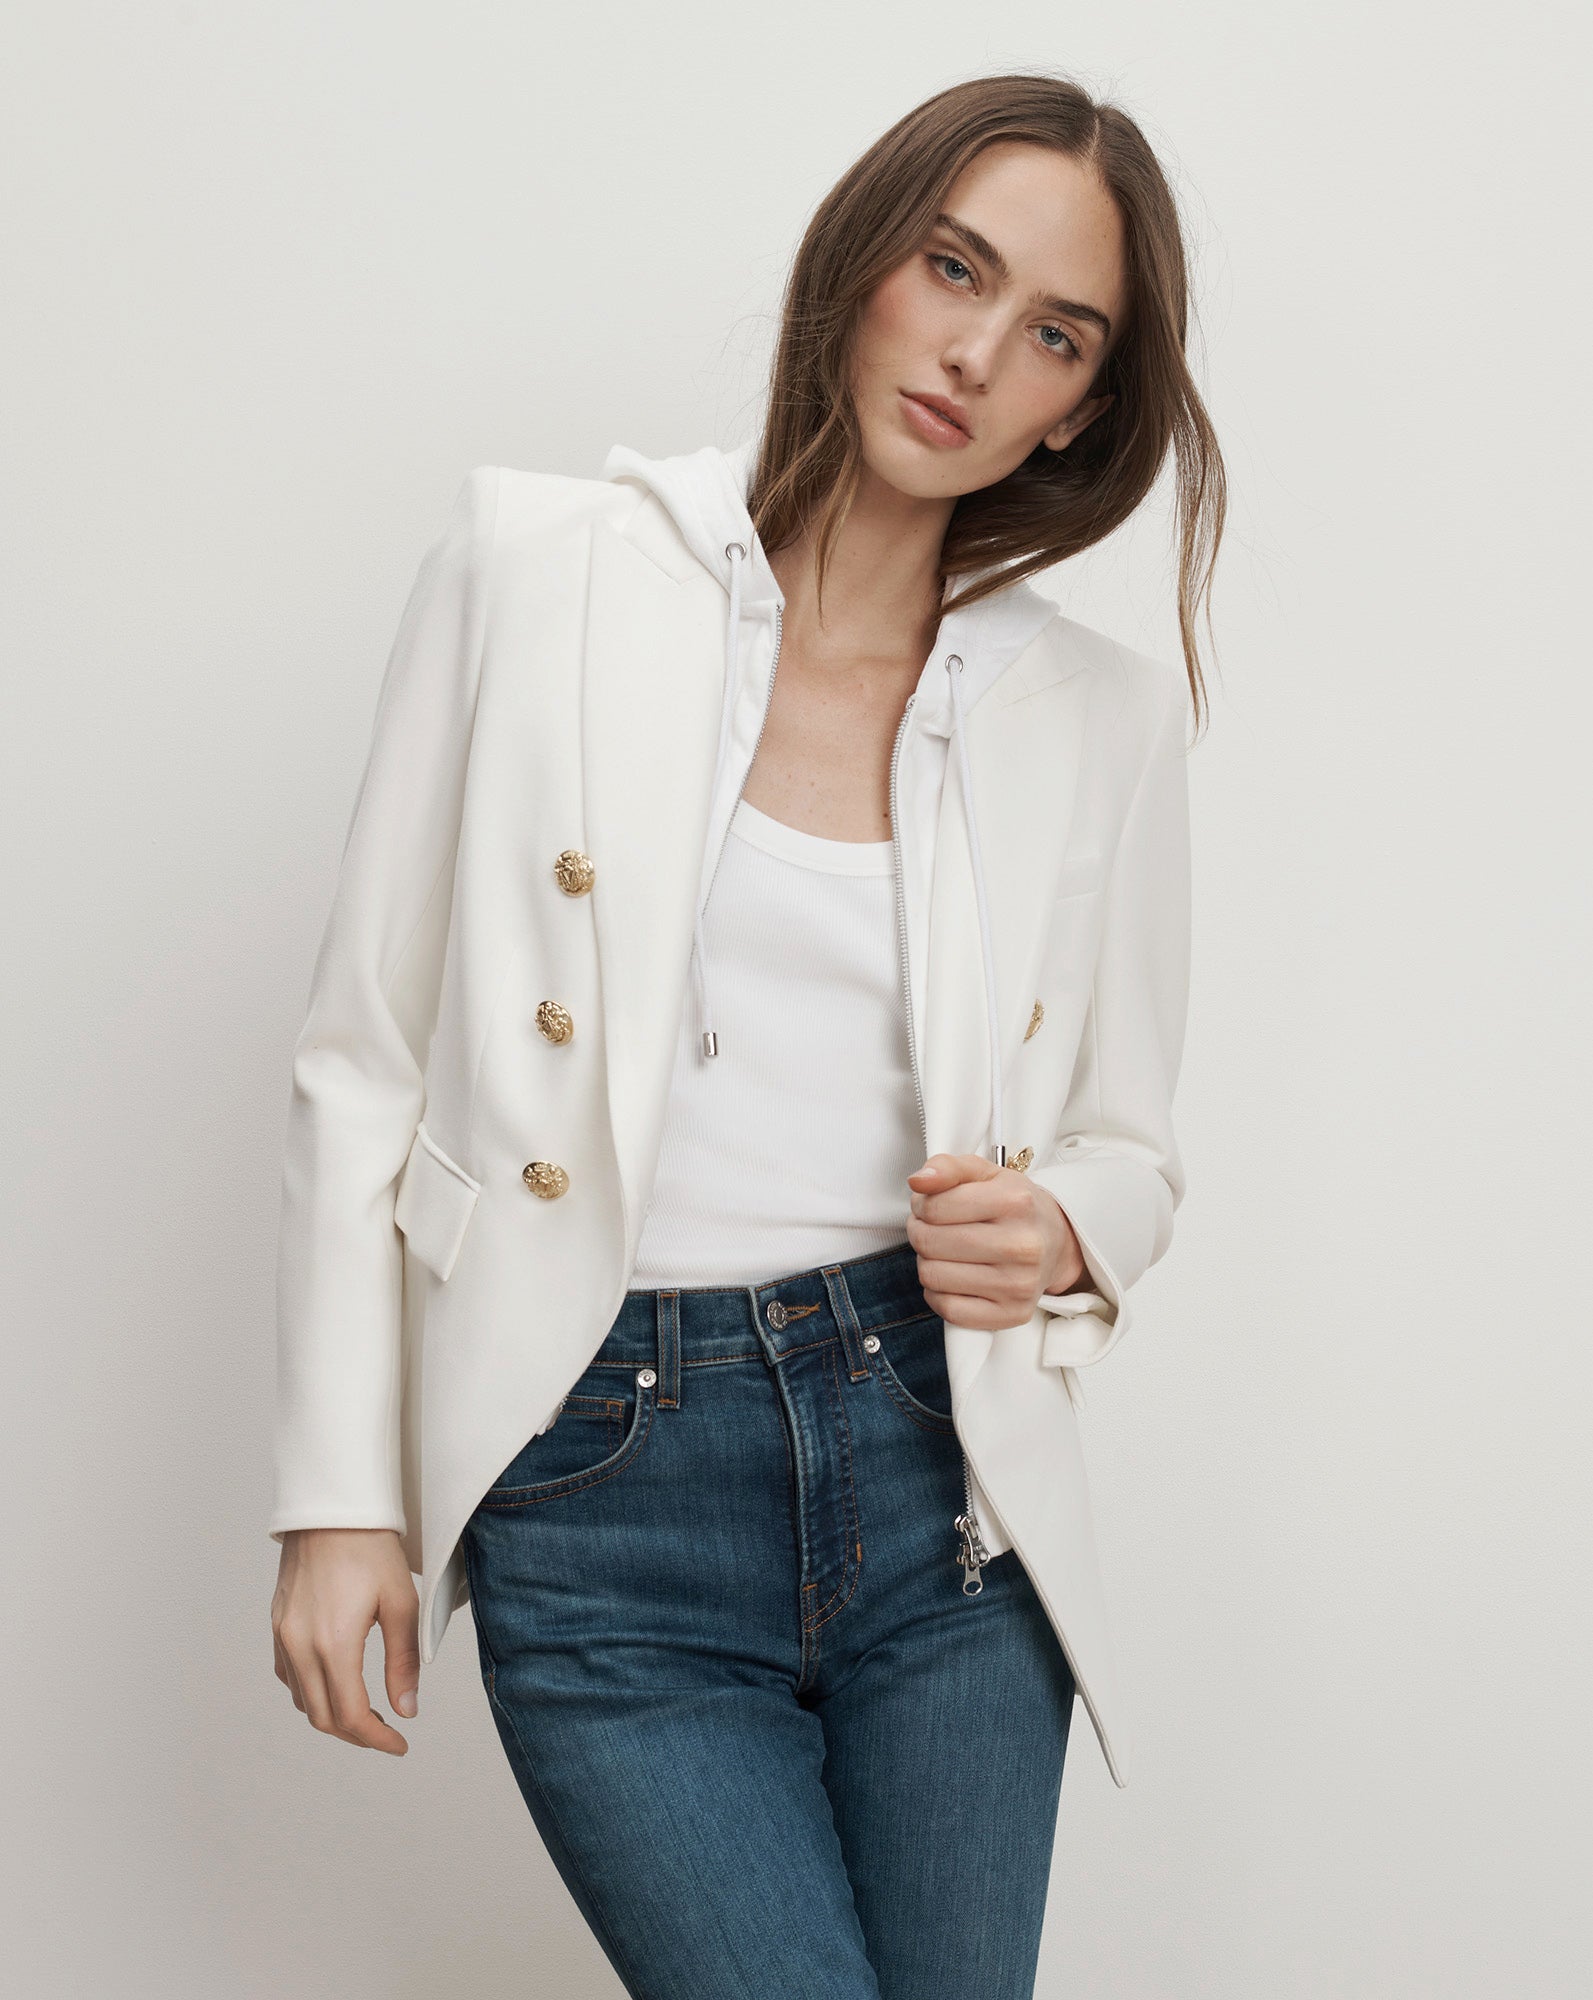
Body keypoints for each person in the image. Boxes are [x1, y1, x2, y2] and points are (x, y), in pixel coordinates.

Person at [269, 70, 1223, 2000]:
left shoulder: (1095, 716)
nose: (976, 354)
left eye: (1056, 336)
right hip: (601, 1479)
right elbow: (360, 1058)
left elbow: (1127, 1147)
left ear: (1080, 410)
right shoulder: (537, 572)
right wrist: (336, 1495)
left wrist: (1057, 1227)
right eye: (954, 268)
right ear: (863, 258)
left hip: (941, 1483)